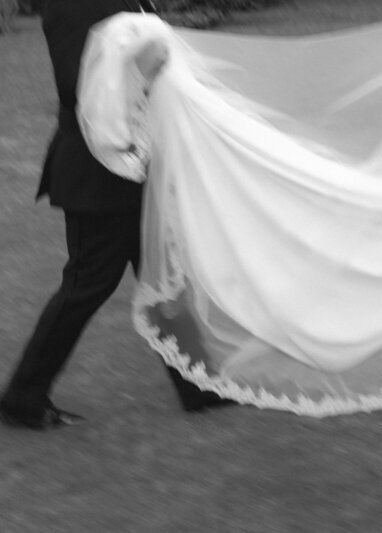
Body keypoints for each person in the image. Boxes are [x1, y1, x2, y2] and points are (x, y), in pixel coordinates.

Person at [0, 0, 229, 430]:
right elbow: (73, 84)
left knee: (166, 272)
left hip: (139, 161)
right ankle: (22, 397)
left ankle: (196, 387)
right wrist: (148, 66)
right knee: (88, 283)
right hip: (97, 170)